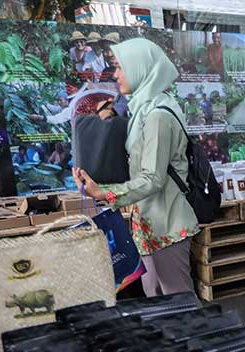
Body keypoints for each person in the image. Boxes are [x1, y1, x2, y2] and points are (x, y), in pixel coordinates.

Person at [73, 38, 199, 298]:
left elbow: (152, 178)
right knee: (154, 297)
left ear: (140, 67)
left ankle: (200, 340)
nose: (115, 74)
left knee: (179, 303)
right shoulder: (143, 110)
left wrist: (104, 193)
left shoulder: (158, 116)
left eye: (120, 67)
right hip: (149, 224)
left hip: (168, 226)